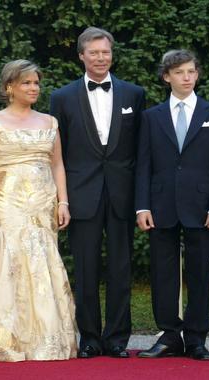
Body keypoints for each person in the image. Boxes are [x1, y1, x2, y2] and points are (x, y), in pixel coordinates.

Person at [0, 59, 78, 362]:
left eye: (36, 82)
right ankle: (1, 340)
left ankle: (46, 340)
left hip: (42, 205)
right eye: (26, 83)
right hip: (7, 204)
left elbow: (58, 164)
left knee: (42, 265)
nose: (34, 88)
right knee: (6, 267)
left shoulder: (49, 122)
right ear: (9, 87)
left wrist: (63, 202)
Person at [50, 27, 145, 359]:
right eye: (94, 53)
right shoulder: (61, 97)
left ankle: (118, 338)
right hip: (81, 194)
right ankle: (89, 337)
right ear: (81, 56)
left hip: (122, 194)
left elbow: (141, 151)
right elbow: (56, 153)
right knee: (86, 270)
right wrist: (60, 198)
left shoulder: (135, 94)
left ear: (112, 54)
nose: (101, 58)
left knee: (121, 269)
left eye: (105, 52)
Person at [135, 50, 209, 360]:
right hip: (161, 205)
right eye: (179, 72)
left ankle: (196, 339)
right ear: (167, 77)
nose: (187, 77)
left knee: (200, 274)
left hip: (203, 207)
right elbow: (143, 165)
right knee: (163, 274)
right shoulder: (151, 116)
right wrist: (142, 206)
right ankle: (168, 336)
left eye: (191, 71)